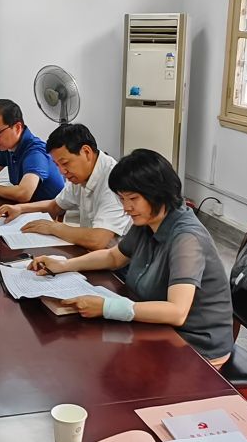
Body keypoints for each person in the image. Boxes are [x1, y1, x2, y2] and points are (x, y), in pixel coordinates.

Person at [28, 148, 234, 365]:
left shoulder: (186, 239)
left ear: (158, 193)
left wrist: (106, 307)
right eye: (122, 199)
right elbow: (114, 257)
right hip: (159, 328)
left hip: (195, 345)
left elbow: (177, 312)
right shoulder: (149, 220)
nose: (127, 208)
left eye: (133, 198)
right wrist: (64, 265)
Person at [0, 120, 127, 249]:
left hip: (115, 261)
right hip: (92, 252)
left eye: (65, 163)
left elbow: (98, 240)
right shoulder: (80, 174)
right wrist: (20, 208)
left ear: (86, 152)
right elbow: (55, 206)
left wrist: (54, 227)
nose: (62, 171)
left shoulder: (114, 181)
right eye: (57, 165)